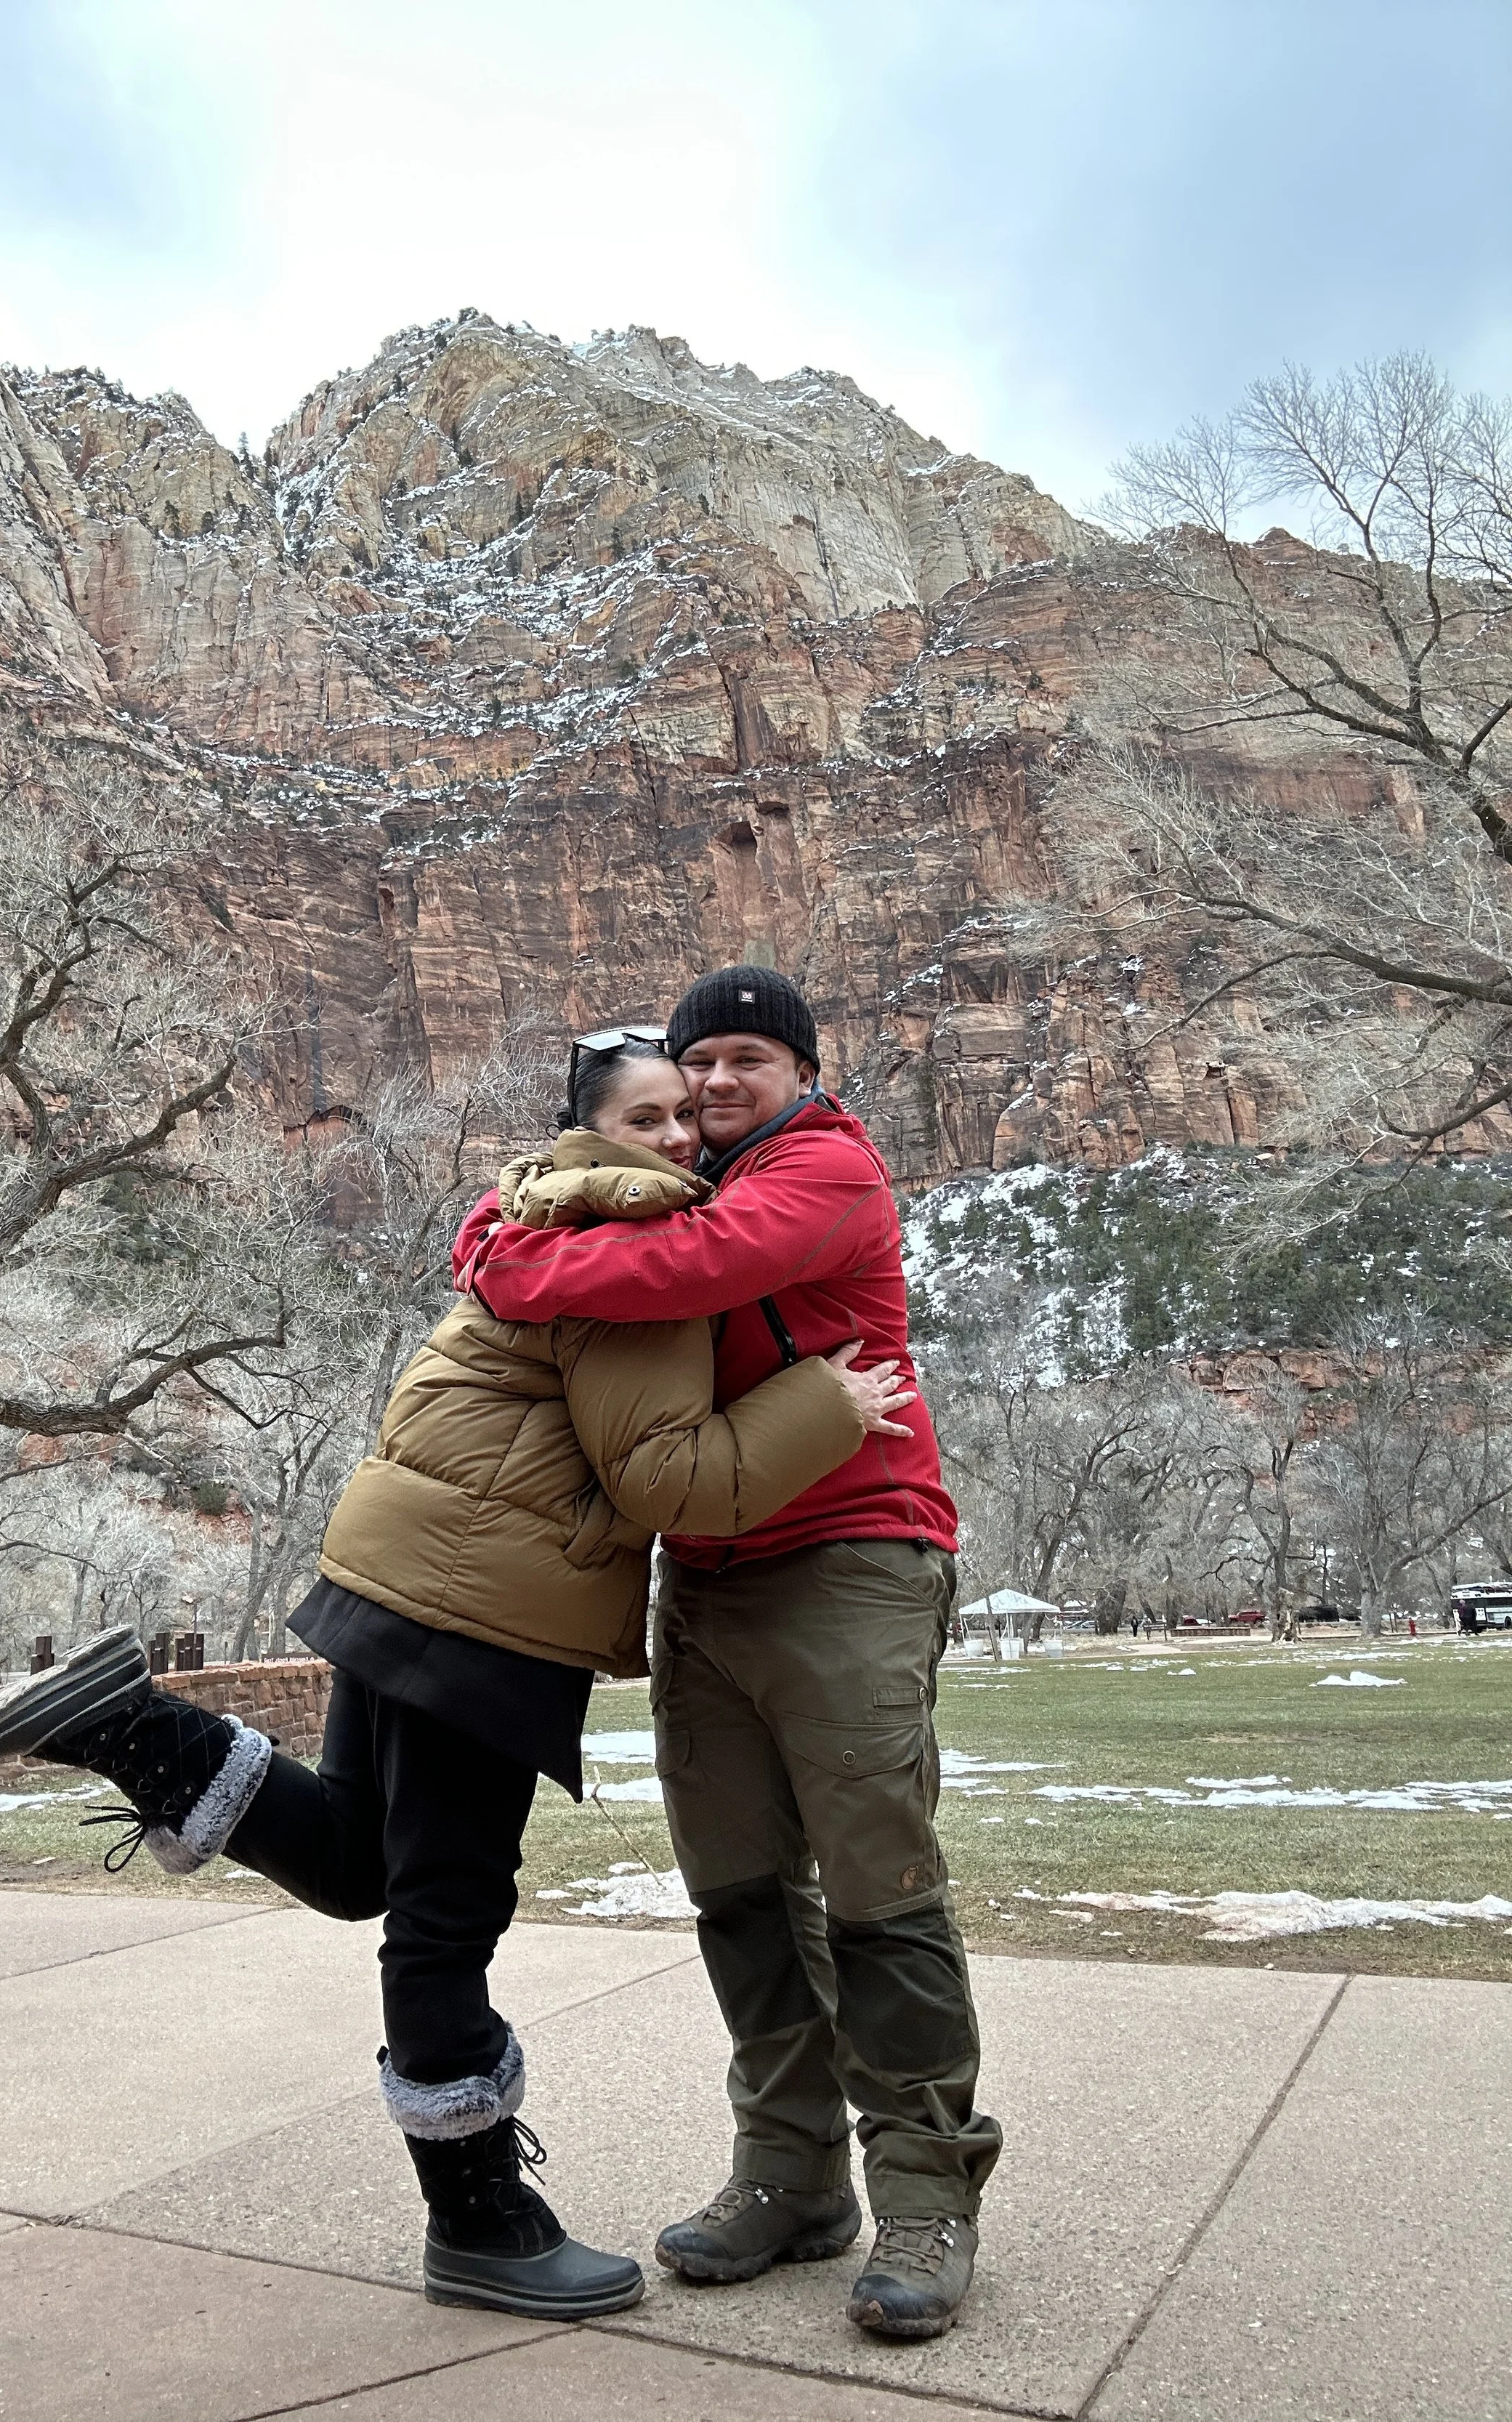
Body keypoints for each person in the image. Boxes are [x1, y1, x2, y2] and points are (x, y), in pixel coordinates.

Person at [0, 1033, 910, 2325]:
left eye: (687, 1117)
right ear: (593, 1132)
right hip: (488, 1616)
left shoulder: (540, 1218)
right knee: (443, 1921)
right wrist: (826, 1405)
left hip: (399, 1575)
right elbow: (667, 1481)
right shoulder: (639, 1250)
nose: (680, 1138)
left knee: (355, 1864)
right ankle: (480, 2224)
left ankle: (134, 1729)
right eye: (648, 1118)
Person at [458, 964, 1002, 2343]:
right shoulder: (691, 1175)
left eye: (748, 1058)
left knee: (878, 1890)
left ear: (805, 1072)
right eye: (698, 1062)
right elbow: (544, 1196)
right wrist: (497, 1232)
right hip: (706, 1575)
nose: (714, 1082)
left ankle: (928, 2193)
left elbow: (683, 1271)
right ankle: (791, 2175)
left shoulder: (824, 1171)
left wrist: (510, 1262)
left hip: (853, 1557)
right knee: (742, 1893)